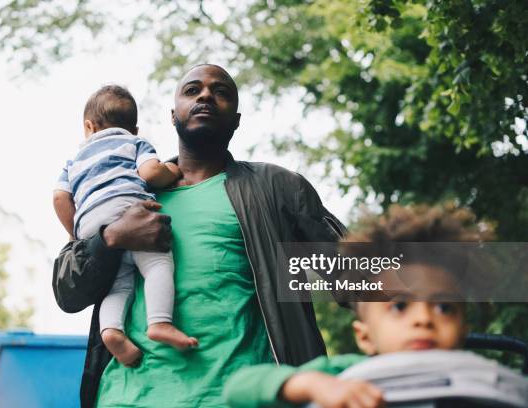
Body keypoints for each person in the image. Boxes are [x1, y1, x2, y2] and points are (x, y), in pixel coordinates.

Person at [52, 64, 345, 408]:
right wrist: (113, 237)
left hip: (241, 398)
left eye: (220, 92)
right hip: (126, 397)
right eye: (192, 90)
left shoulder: (275, 188)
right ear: (173, 116)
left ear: (236, 119)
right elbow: (67, 293)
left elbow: (370, 277)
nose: (205, 94)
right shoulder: (123, 191)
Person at [222, 204, 495, 408]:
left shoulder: (487, 379)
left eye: (444, 308)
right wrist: (311, 384)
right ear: (365, 337)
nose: (423, 319)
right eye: (400, 306)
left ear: (463, 329)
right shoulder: (345, 374)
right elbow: (237, 388)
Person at [53, 85, 197, 367]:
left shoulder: (73, 161)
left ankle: (112, 332)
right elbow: (151, 172)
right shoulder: (134, 142)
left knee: (118, 286)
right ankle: (160, 323)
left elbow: (59, 197)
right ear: (134, 127)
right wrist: (174, 170)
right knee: (157, 265)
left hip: (91, 225)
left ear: (89, 126)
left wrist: (74, 233)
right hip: (128, 208)